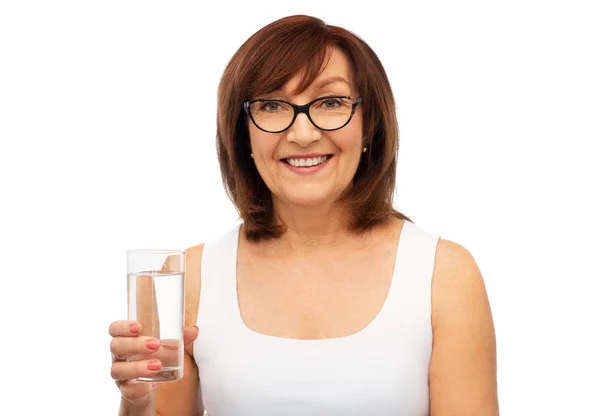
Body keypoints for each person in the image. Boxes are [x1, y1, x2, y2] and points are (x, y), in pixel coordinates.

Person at [109, 14, 499, 416]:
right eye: (273, 105)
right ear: (243, 133)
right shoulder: (188, 277)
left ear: (369, 127)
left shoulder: (444, 273)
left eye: (331, 102)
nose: (303, 133)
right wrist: (135, 403)